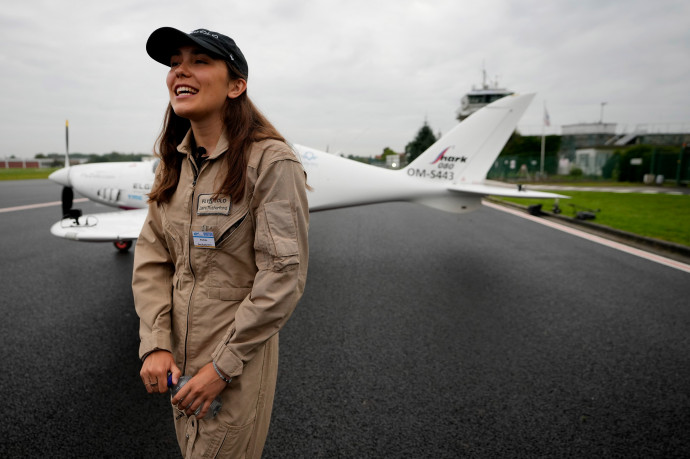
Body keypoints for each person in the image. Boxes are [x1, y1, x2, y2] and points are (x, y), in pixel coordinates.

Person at [133, 27, 309, 458]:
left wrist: (221, 368)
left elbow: (282, 277)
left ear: (236, 86)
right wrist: (156, 341)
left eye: (199, 60)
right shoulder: (174, 165)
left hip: (234, 369)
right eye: (175, 62)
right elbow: (153, 256)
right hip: (181, 365)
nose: (180, 71)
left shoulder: (270, 161)